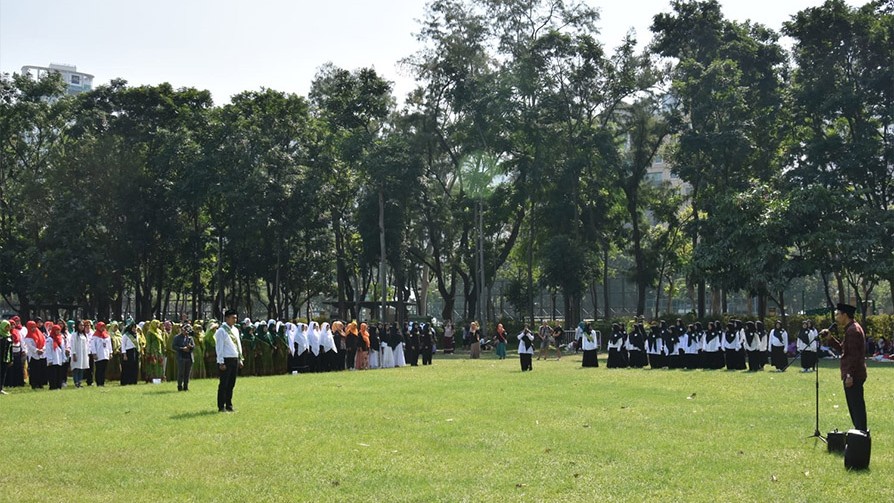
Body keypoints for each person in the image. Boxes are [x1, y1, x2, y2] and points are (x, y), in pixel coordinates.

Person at [829, 303, 867, 432]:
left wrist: (849, 375)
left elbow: (854, 356)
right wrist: (830, 339)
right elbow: (845, 350)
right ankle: (859, 432)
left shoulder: (853, 331)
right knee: (855, 407)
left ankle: (861, 434)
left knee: (856, 407)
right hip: (853, 374)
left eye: (837, 314)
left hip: (854, 375)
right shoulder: (851, 329)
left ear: (845, 315)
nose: (836, 317)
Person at [215, 309, 244, 413]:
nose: (235, 320)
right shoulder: (221, 331)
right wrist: (221, 362)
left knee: (231, 384)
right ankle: (221, 406)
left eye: (236, 318)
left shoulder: (235, 330)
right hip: (226, 359)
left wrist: (240, 358)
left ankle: (229, 405)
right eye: (233, 318)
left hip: (234, 358)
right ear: (227, 318)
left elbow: (238, 345)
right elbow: (219, 348)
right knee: (224, 384)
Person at [173, 323, 195, 391]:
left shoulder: (190, 338)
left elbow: (193, 346)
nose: (186, 332)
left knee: (187, 373)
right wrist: (182, 348)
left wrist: (190, 347)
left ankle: (186, 386)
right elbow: (174, 346)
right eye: (185, 330)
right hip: (181, 357)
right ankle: (179, 386)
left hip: (189, 357)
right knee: (181, 373)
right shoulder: (177, 337)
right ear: (182, 330)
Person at [90, 322, 112, 386]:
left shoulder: (107, 335)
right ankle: (98, 382)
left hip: (105, 354)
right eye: (101, 327)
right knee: (99, 369)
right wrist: (94, 353)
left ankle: (102, 382)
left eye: (103, 327)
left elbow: (109, 345)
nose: (102, 328)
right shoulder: (95, 336)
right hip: (98, 354)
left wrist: (110, 353)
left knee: (104, 369)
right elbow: (93, 345)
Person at [0, 320, 13, 394]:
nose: (8, 328)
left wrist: (11, 359)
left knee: (3, 374)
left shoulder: (9, 335)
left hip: (5, 358)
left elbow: (11, 348)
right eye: (6, 327)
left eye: (9, 326)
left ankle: (1, 388)